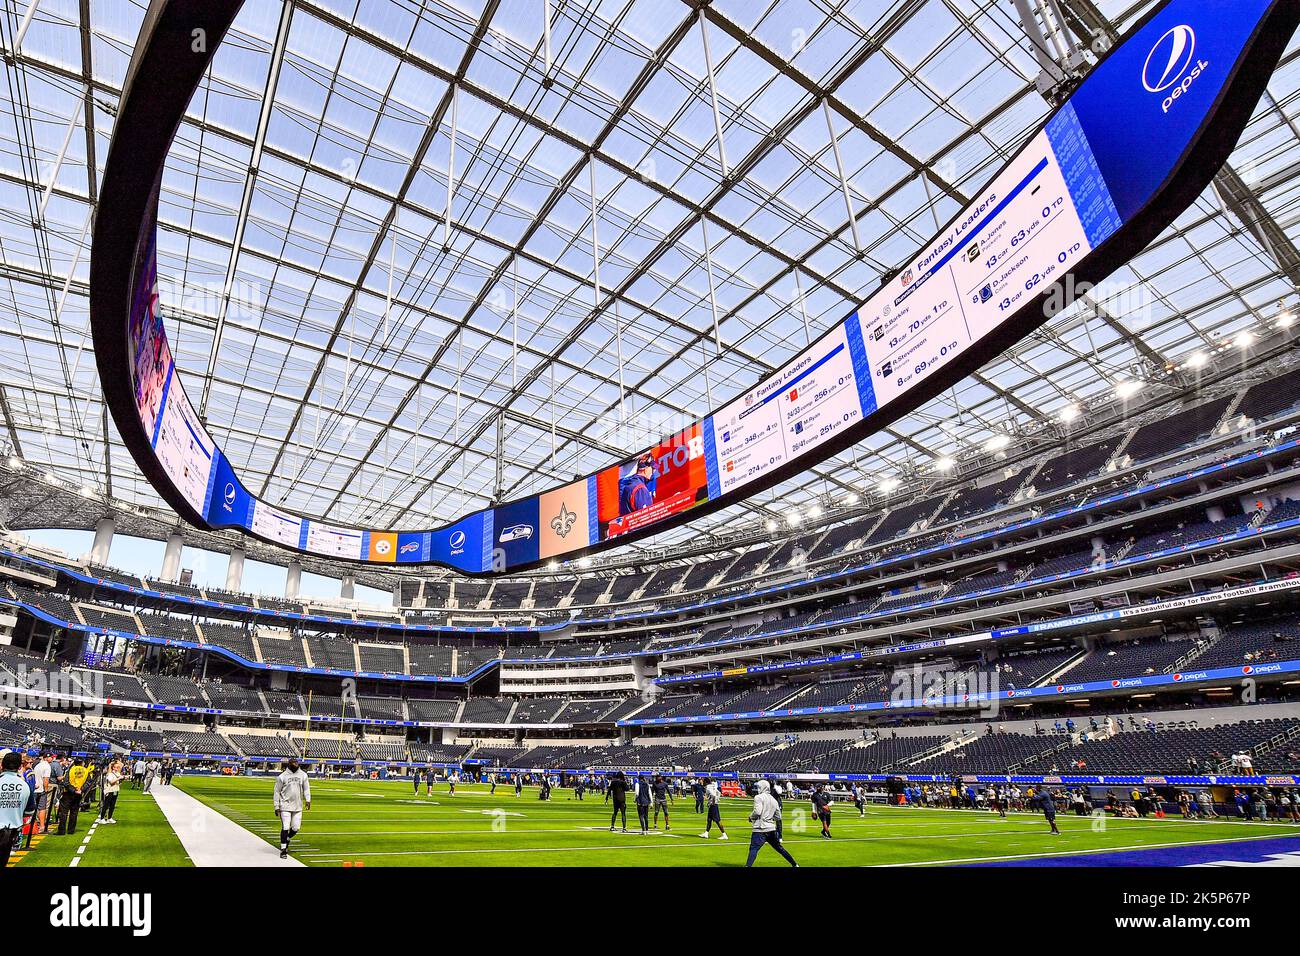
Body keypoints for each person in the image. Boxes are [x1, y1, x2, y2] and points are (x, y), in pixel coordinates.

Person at [745, 780, 798, 868]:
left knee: (754, 849)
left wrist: (751, 817)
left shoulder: (758, 797)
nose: (757, 789)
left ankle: (748, 866)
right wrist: (769, 817)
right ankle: (795, 864)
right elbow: (778, 817)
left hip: (760, 828)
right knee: (779, 848)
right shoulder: (774, 800)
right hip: (771, 829)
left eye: (758, 787)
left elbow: (757, 812)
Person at [0, 751, 34, 867]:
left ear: (1, 765)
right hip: (11, 831)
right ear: (20, 766)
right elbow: (30, 810)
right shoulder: (25, 786)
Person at [273, 757, 311, 860]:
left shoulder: (303, 775)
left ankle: (287, 838)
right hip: (285, 805)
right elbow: (276, 792)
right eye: (293, 762)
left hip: (298, 806)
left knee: (296, 828)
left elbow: (306, 788)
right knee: (285, 826)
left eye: (296, 762)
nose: (296, 764)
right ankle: (283, 849)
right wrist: (276, 806)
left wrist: (308, 800)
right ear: (289, 764)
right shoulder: (282, 776)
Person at [55, 758, 89, 836]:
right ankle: (71, 830)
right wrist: (81, 790)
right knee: (74, 812)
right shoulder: (86, 771)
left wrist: (73, 790)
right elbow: (88, 782)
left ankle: (61, 831)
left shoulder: (70, 770)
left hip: (68, 793)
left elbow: (66, 783)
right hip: (79, 794)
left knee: (64, 812)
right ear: (82, 763)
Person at [99, 759, 123, 824]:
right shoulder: (110, 774)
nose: (118, 768)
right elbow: (111, 782)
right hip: (109, 791)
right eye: (116, 767)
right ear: (113, 767)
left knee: (112, 805)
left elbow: (121, 765)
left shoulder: (117, 773)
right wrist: (119, 778)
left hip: (115, 790)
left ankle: (110, 818)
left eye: (118, 767)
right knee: (106, 805)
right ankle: (102, 818)